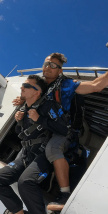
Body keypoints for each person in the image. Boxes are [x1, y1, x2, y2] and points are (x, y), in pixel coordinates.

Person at [13, 52, 108, 210]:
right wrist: (22, 100)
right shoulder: (41, 85)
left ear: (60, 71)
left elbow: (96, 86)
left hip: (61, 128)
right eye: (45, 64)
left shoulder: (66, 85)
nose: (47, 67)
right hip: (44, 128)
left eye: (52, 65)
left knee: (53, 148)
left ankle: (65, 194)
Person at [0, 75, 69, 214]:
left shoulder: (48, 106)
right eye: (22, 86)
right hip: (25, 154)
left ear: (37, 92)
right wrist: (18, 122)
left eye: (27, 86)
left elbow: (64, 129)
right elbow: (22, 133)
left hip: (43, 154)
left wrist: (40, 119)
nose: (22, 88)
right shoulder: (22, 109)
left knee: (25, 183)